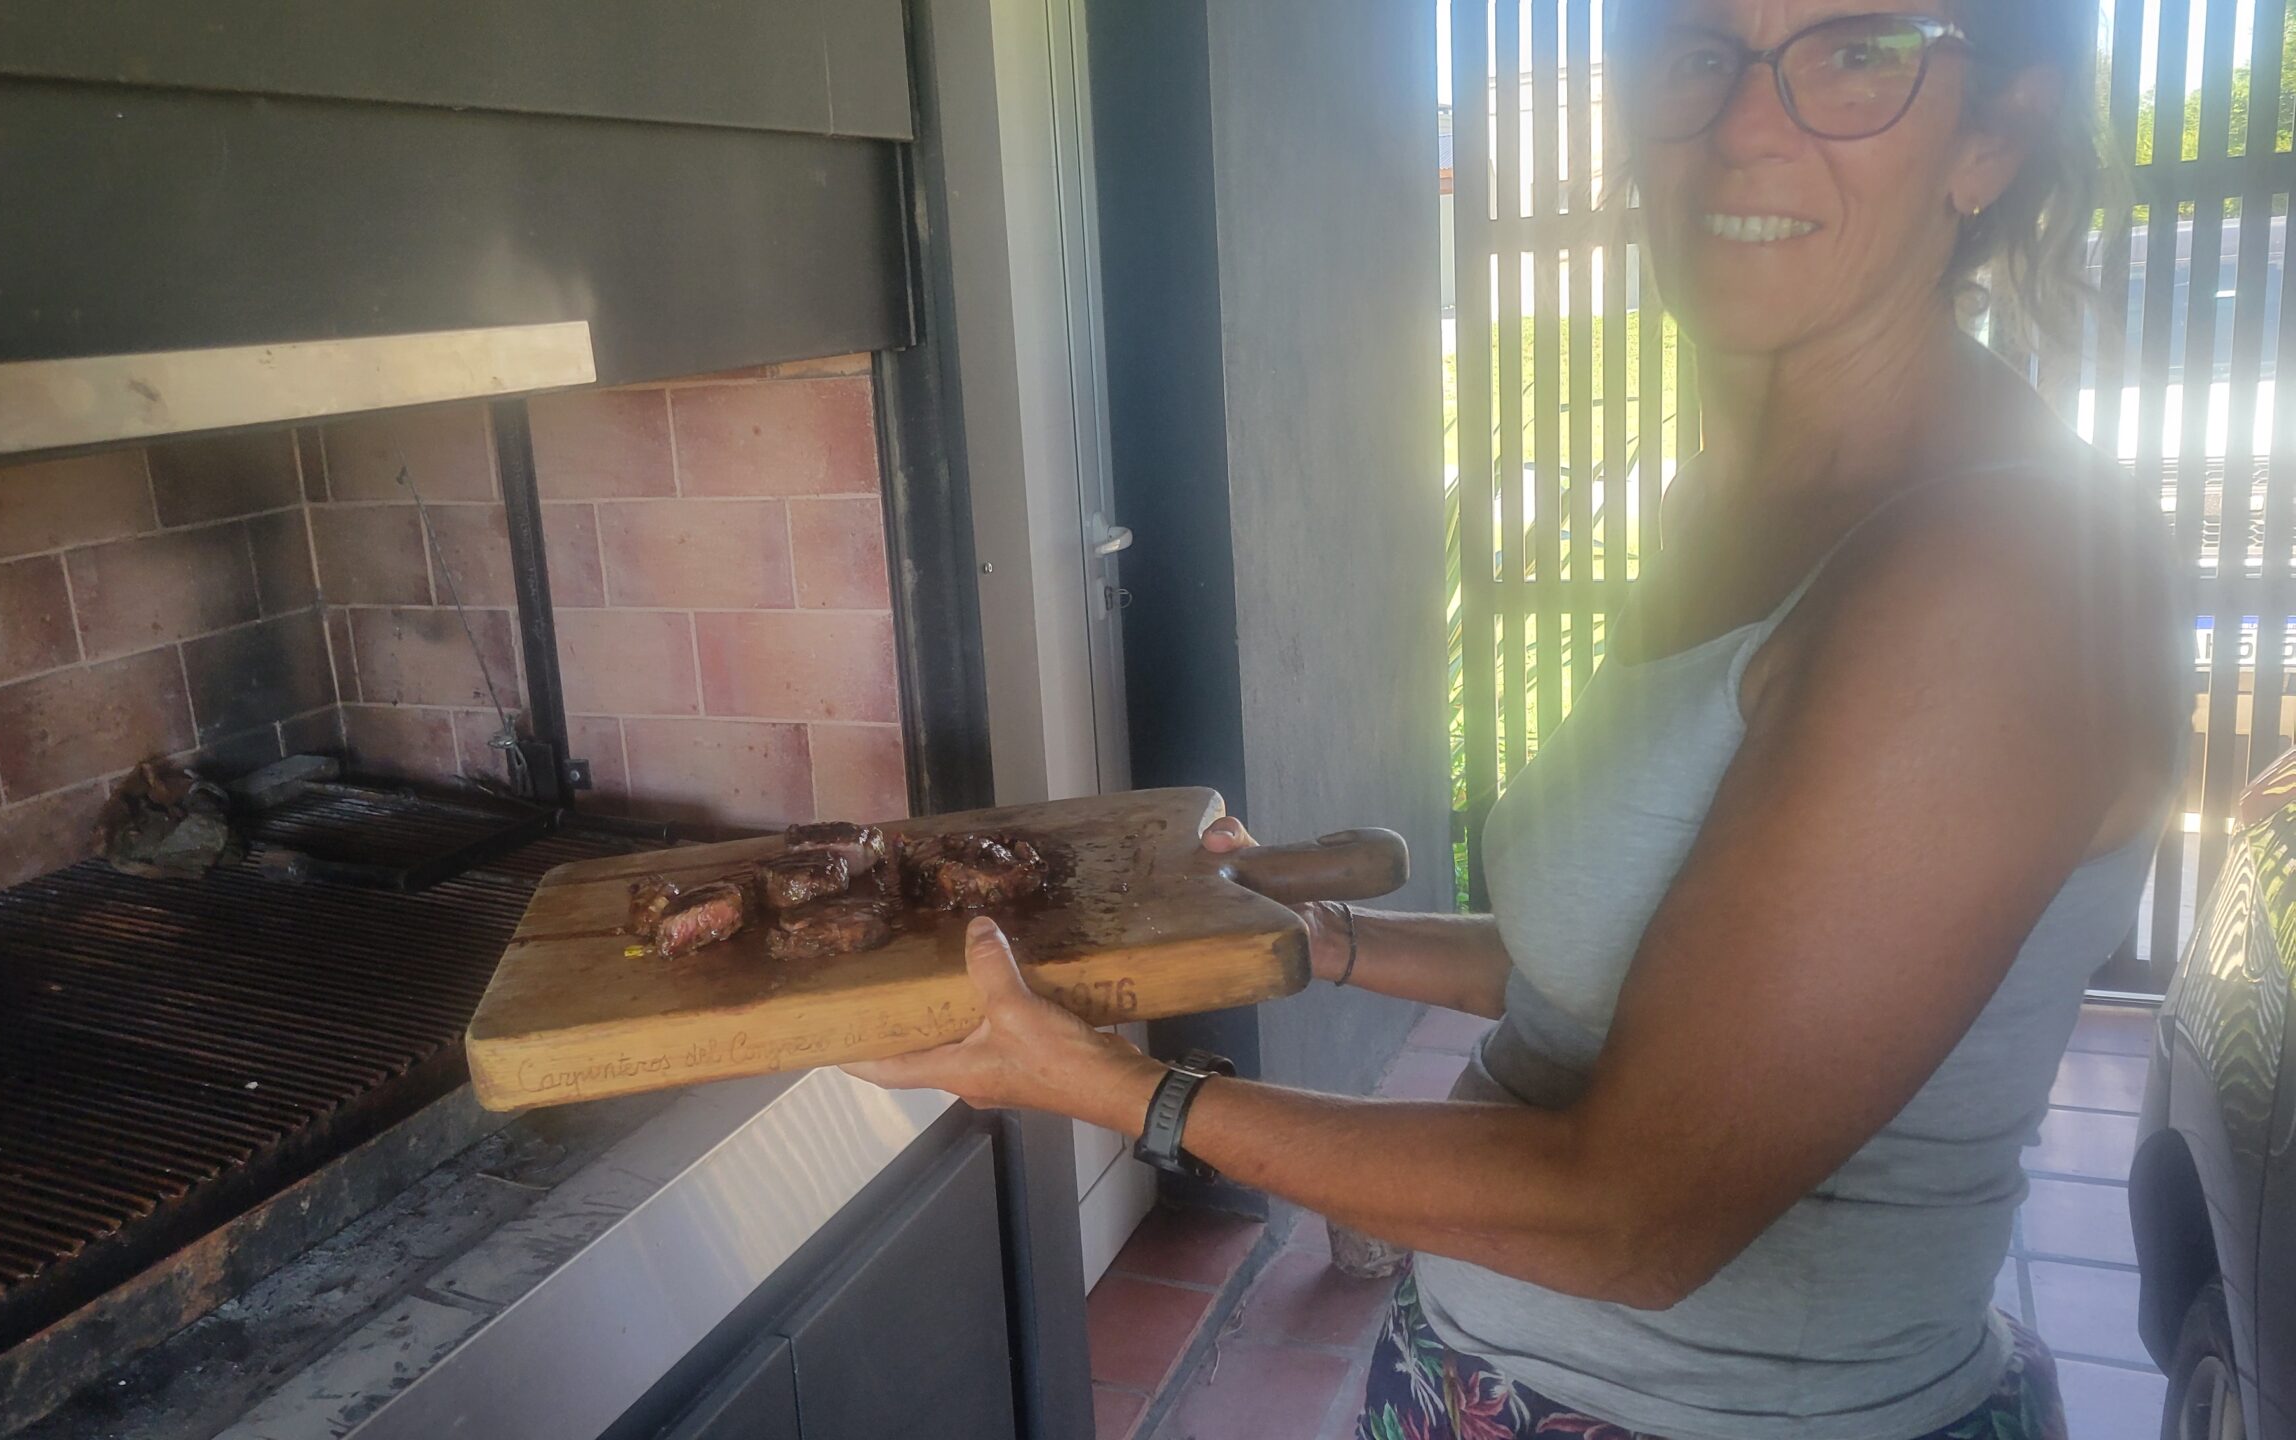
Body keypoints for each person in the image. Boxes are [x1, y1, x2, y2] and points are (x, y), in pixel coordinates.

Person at [847, 3, 2180, 1437]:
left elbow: (1638, 1217)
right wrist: (1324, 940)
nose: (1744, 122)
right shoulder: (1739, 500)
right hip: (1485, 1374)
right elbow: (1638, 979)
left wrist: (1121, 1092)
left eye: (1857, 53)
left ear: (1994, 135)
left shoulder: (1997, 584)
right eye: (1699, 49)